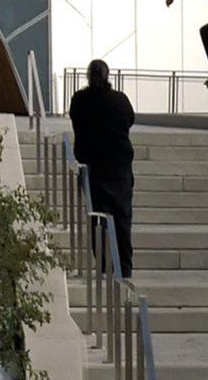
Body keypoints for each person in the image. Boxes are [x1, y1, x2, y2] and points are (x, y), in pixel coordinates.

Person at [66, 59, 137, 276]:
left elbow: (75, 120)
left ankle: (105, 263)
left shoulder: (80, 100)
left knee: (97, 218)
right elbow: (130, 120)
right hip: (119, 165)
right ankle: (124, 266)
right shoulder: (120, 100)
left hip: (93, 166)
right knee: (122, 216)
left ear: (88, 76)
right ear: (108, 76)